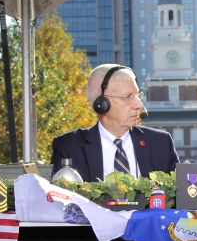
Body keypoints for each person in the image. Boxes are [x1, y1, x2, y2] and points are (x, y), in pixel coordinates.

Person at [51, 64, 179, 180]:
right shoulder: (68, 147)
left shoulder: (161, 143)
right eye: (127, 97)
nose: (139, 105)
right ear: (101, 104)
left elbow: (177, 201)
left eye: (137, 95)